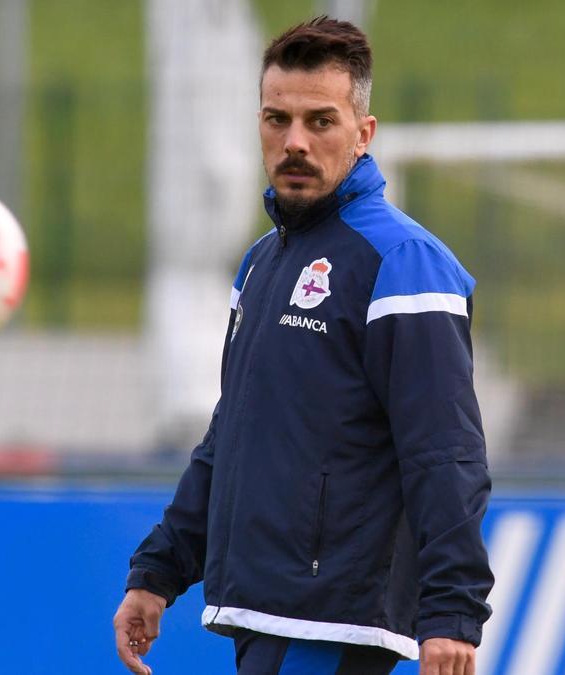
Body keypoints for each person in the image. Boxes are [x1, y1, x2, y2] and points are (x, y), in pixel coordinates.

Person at [114, 16, 493, 675]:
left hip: (330, 617)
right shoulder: (261, 265)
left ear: (363, 133)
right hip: (263, 609)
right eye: (276, 119)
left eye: (320, 121)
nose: (295, 141)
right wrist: (159, 568)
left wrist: (452, 612)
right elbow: (231, 435)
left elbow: (446, 452)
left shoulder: (405, 263)